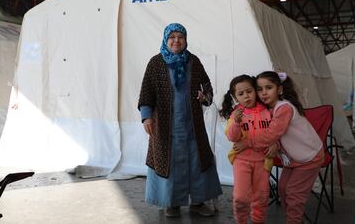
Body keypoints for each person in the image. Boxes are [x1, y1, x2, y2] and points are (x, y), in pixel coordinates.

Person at [138, 23, 222, 218]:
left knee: (197, 162)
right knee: (171, 164)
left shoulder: (194, 61)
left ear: (185, 40)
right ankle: (171, 204)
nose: (176, 40)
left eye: (180, 37)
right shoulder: (156, 63)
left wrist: (205, 96)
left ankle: (198, 203)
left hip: (193, 126)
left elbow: (208, 89)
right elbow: (146, 93)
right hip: (166, 127)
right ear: (166, 40)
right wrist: (146, 117)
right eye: (172, 37)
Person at [247, 71, 324, 224]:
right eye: (259, 89)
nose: (263, 93)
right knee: (283, 189)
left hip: (308, 157)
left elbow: (272, 133)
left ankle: (293, 220)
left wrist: (248, 143)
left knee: (294, 194)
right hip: (293, 158)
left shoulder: (284, 108)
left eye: (268, 88)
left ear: (280, 89)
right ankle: (293, 219)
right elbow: (276, 135)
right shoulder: (270, 109)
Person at [219, 74, 274, 224]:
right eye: (241, 94)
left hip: (263, 162)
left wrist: (276, 145)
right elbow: (232, 137)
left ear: (255, 91)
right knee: (241, 197)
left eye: (249, 91)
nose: (246, 96)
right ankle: (241, 220)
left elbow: (275, 134)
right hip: (242, 160)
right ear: (235, 97)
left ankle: (258, 221)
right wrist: (236, 122)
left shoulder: (268, 112)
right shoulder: (236, 114)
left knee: (261, 196)